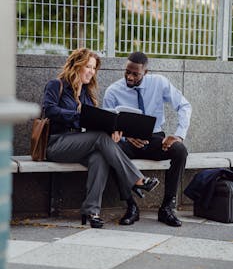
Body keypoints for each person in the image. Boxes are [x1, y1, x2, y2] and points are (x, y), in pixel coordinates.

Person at [43, 48, 159, 228]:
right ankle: (137, 179)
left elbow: (92, 125)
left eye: (94, 68)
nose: (91, 71)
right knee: (98, 138)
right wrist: (78, 115)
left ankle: (91, 211)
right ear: (76, 65)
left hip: (81, 144)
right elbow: (49, 110)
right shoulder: (56, 85)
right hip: (58, 144)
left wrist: (112, 129)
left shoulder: (87, 94)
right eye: (88, 66)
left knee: (100, 157)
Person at [103, 51, 192, 227]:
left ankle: (167, 207)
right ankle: (131, 206)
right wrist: (125, 137)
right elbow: (107, 125)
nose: (129, 76)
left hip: (154, 138)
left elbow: (184, 105)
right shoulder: (113, 91)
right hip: (126, 142)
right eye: (127, 71)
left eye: (135, 74)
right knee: (109, 152)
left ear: (146, 72)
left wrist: (179, 135)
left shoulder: (159, 82)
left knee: (180, 150)